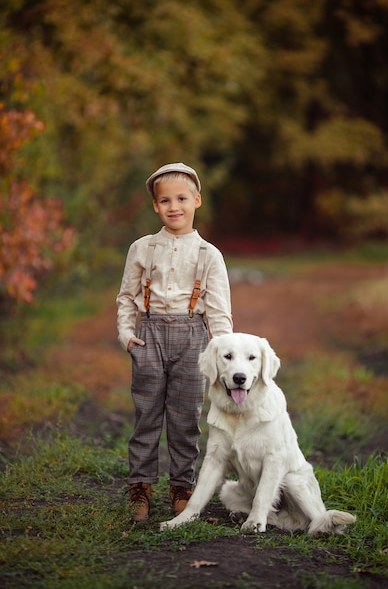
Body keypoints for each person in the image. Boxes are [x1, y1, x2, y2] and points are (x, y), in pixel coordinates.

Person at [116, 162, 233, 521]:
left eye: (181, 198)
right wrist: (126, 333)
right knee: (147, 415)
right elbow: (126, 296)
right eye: (165, 200)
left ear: (196, 200)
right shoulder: (142, 248)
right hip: (149, 335)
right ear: (155, 206)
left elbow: (219, 311)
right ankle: (140, 488)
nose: (173, 206)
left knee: (185, 419)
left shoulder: (209, 254)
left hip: (192, 339)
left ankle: (182, 486)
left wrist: (225, 356)